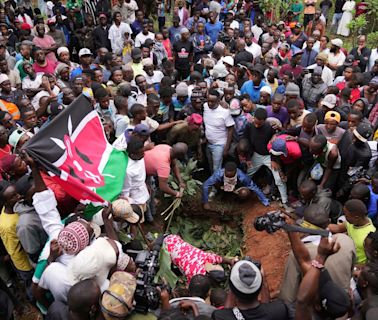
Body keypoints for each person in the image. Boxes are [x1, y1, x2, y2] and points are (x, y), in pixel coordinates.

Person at [244, 108, 291, 211]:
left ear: (264, 121)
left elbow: (275, 144)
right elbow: (247, 142)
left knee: (278, 179)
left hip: (269, 157)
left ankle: (285, 201)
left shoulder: (269, 128)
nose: (256, 125)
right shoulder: (249, 126)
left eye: (259, 124)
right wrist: (248, 158)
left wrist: (273, 159)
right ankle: (241, 192)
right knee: (247, 174)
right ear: (253, 118)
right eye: (255, 122)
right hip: (256, 155)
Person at [213, 260, 291, 320]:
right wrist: (263, 280)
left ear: (232, 291)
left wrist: (233, 280)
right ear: (260, 288)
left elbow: (226, 314)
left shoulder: (219, 317)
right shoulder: (280, 310)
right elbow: (266, 310)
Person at [202, 161, 269, 210]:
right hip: (223, 187)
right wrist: (205, 202)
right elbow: (206, 185)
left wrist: (264, 200)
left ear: (236, 172)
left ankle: (238, 200)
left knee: (244, 193)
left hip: (236, 189)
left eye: (231, 176)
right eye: (227, 176)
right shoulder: (218, 174)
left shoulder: (242, 177)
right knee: (215, 181)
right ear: (224, 171)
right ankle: (221, 194)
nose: (229, 178)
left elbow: (254, 187)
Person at [329, 199, 376, 265]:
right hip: (347, 258)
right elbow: (338, 228)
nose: (345, 217)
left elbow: (372, 259)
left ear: (356, 217)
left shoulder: (369, 236)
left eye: (346, 216)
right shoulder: (354, 222)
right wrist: (319, 224)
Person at [203, 89, 234, 173]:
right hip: (208, 143)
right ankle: (213, 182)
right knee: (210, 165)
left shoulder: (224, 112)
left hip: (219, 145)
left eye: (212, 101)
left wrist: (226, 148)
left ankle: (216, 185)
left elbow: (230, 129)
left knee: (216, 168)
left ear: (218, 101)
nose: (210, 103)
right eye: (208, 101)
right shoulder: (205, 106)